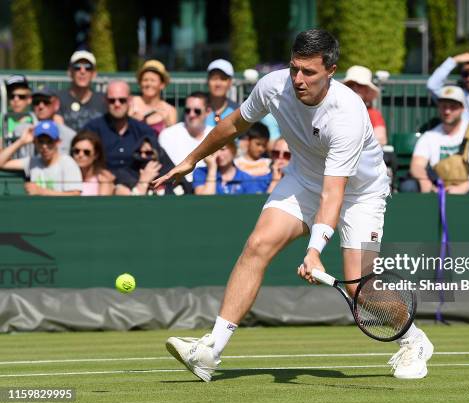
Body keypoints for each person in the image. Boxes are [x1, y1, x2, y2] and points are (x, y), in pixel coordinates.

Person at [153, 29, 433, 381]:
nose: (298, 80)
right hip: (304, 178)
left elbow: (334, 193)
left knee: (358, 286)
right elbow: (234, 124)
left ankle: (414, 340)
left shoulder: (347, 114)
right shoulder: (274, 86)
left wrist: (315, 250)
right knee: (257, 245)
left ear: (331, 69)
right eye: (294, 69)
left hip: (361, 194)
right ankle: (211, 351)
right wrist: (191, 159)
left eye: (309, 72)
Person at [409, 85, 469, 194]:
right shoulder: (429, 136)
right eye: (443, 106)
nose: (447, 111)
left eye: (453, 107)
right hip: (437, 188)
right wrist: (424, 181)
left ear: (462, 108)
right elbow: (416, 165)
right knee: (409, 186)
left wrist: (464, 187)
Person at [83, 80, 159, 175]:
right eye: (112, 100)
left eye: (122, 100)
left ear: (130, 101)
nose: (117, 104)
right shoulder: (92, 130)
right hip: (102, 185)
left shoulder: (144, 132)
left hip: (137, 184)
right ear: (105, 101)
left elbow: (156, 163)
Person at [0, 121, 82, 195]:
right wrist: (22, 141)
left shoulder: (67, 163)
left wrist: (41, 191)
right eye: (41, 141)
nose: (44, 146)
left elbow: (75, 195)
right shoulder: (32, 161)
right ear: (35, 142)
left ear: (57, 142)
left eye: (49, 141)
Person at [158, 91, 208, 182]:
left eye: (197, 111)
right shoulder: (168, 135)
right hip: (176, 187)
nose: (191, 115)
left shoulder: (215, 133)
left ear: (208, 112)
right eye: (187, 110)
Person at [13, 87, 76, 159]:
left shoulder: (69, 134)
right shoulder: (22, 130)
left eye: (46, 101)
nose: (41, 106)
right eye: (36, 102)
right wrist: (21, 141)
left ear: (56, 104)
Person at [56, 50, 107, 131]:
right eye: (77, 67)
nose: (82, 71)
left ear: (94, 74)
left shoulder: (104, 100)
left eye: (88, 67)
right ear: (70, 72)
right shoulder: (58, 99)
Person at [193, 142, 270, 195]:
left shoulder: (245, 178)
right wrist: (212, 168)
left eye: (223, 149)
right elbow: (204, 204)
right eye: (214, 150)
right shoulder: (201, 173)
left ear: (234, 150)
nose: (218, 154)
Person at [114, 137, 178, 196]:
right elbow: (130, 205)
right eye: (139, 153)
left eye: (148, 153)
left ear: (159, 155)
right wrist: (143, 183)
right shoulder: (125, 177)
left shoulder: (173, 177)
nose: (143, 156)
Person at [129, 60, 177, 135]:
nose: (148, 84)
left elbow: (173, 139)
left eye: (153, 80)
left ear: (162, 84)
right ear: (140, 83)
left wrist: (168, 124)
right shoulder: (130, 104)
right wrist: (131, 121)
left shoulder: (170, 110)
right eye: (145, 80)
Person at [343, 65, 387, 145]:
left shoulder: (373, 114)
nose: (355, 88)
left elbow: (381, 139)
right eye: (351, 84)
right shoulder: (335, 111)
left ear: (367, 90)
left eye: (360, 85)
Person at [70, 130, 115, 196]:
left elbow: (103, 204)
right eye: (77, 151)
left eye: (86, 152)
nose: (80, 155)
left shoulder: (103, 179)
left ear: (96, 155)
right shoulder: (66, 176)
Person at [203, 59, 239, 135]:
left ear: (230, 82)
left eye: (223, 79)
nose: (218, 84)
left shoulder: (237, 110)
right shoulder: (194, 109)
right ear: (207, 81)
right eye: (214, 78)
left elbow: (242, 141)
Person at [2, 75, 35, 141]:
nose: (16, 100)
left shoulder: (35, 119)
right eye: (12, 96)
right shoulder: (2, 120)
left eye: (21, 96)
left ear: (29, 99)